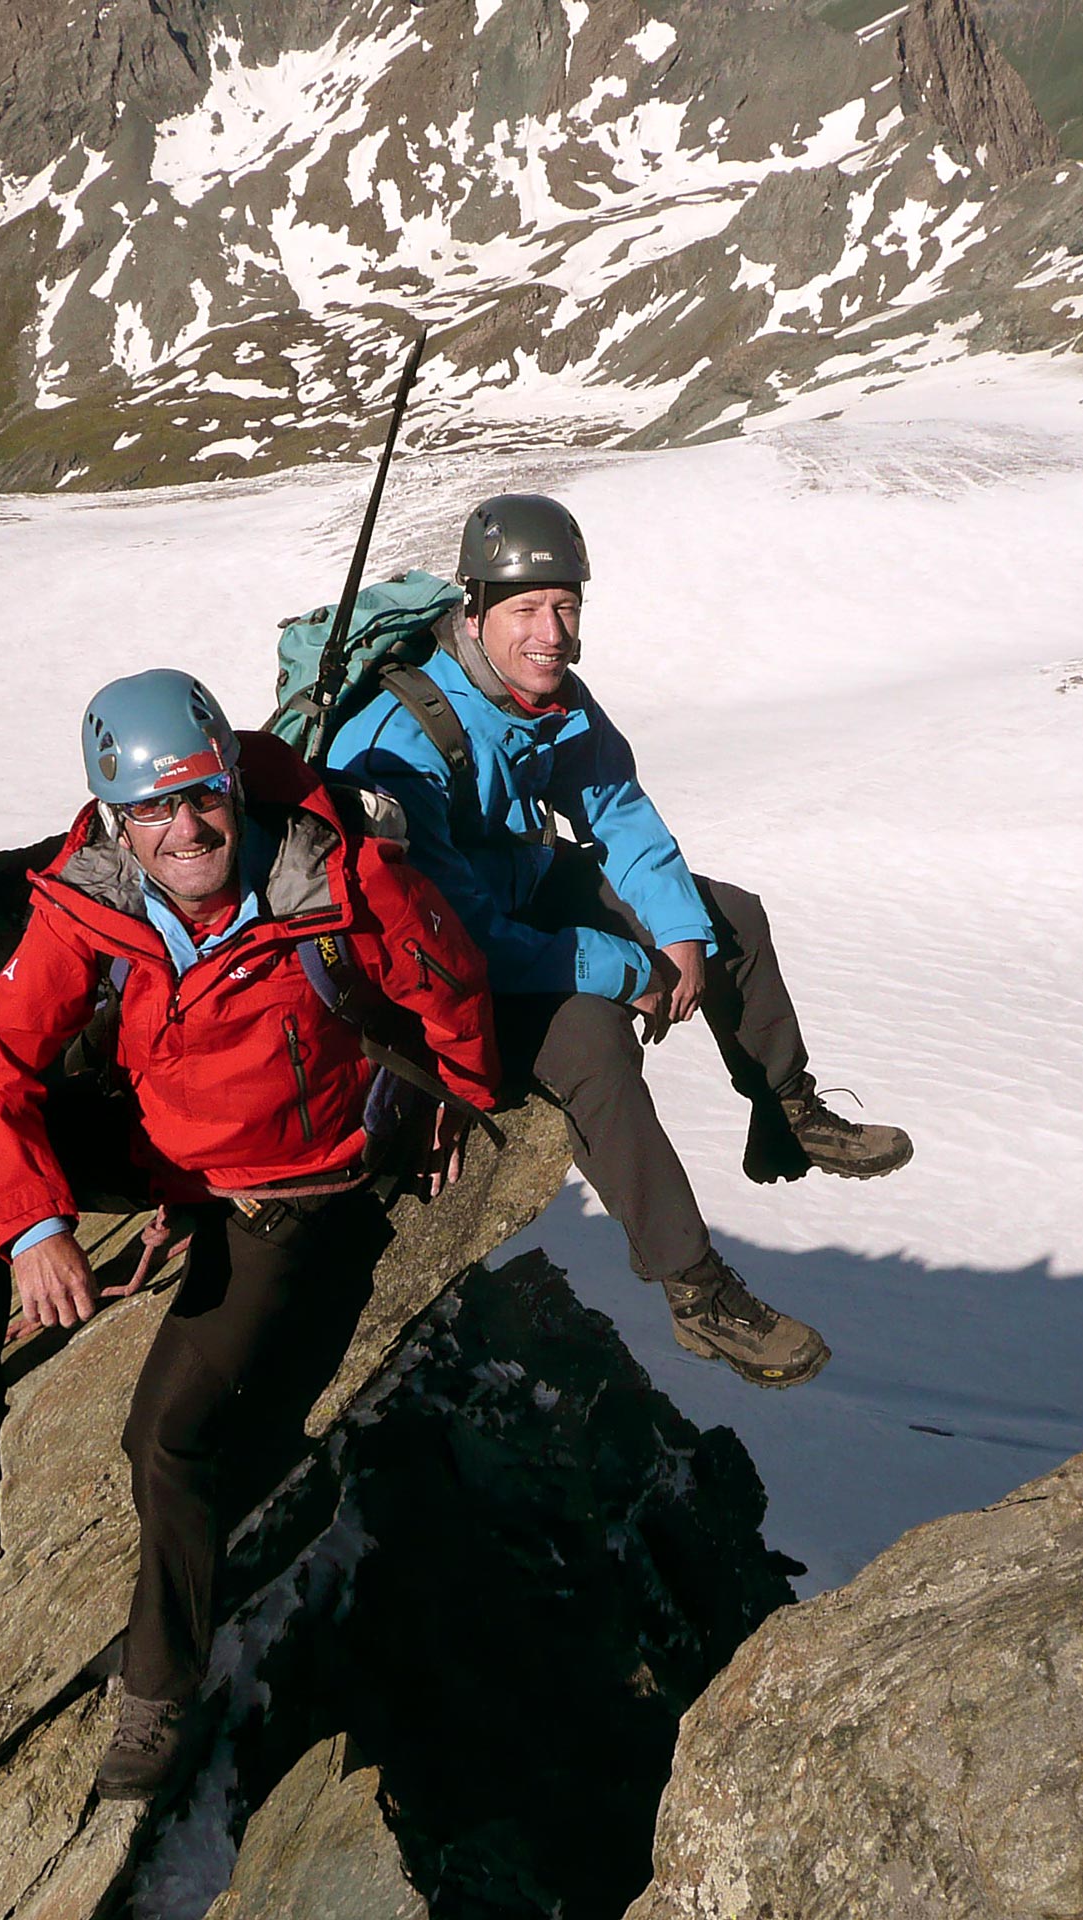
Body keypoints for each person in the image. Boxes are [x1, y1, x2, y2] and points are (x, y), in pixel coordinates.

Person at [0, 670, 496, 1811]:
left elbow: (453, 983)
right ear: (113, 818)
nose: (187, 829)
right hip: (164, 1144)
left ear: (233, 787)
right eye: (153, 810)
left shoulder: (343, 882)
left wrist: (456, 1091)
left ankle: (161, 1685)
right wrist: (37, 1225)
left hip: (286, 1187)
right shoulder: (87, 900)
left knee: (168, 1437)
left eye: (202, 797)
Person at [326, 494, 909, 1391]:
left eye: (566, 607)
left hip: (523, 883)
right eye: (527, 609)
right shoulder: (396, 741)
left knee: (728, 917)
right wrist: (624, 965)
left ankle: (785, 1113)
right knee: (594, 1043)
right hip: (444, 959)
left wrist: (676, 933)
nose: (552, 632)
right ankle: (698, 1294)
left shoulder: (545, 690)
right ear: (473, 611)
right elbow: (456, 934)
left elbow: (616, 810)